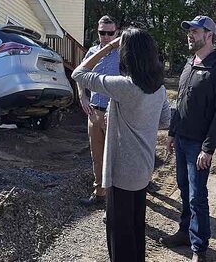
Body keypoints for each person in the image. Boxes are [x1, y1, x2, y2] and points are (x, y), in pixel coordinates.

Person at [72, 28, 172, 262]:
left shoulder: (124, 86)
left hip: (123, 171)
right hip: (144, 168)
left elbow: (79, 72)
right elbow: (165, 121)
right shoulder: (158, 88)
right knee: (136, 227)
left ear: (128, 55)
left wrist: (108, 47)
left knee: (119, 233)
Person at [161, 16, 216, 262]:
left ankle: (199, 248)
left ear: (209, 35)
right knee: (183, 188)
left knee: (197, 196)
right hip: (181, 139)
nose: (189, 35)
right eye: (189, 31)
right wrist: (172, 132)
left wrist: (209, 148)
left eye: (195, 31)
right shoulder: (191, 62)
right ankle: (184, 232)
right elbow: (180, 100)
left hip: (198, 145)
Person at [76, 15, 120, 207]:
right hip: (94, 112)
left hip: (116, 114)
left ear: (116, 33)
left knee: (116, 157)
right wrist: (83, 97)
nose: (106, 37)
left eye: (110, 33)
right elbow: (79, 74)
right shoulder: (92, 53)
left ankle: (117, 199)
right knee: (97, 155)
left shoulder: (122, 53)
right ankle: (99, 193)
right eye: (103, 32)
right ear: (98, 32)